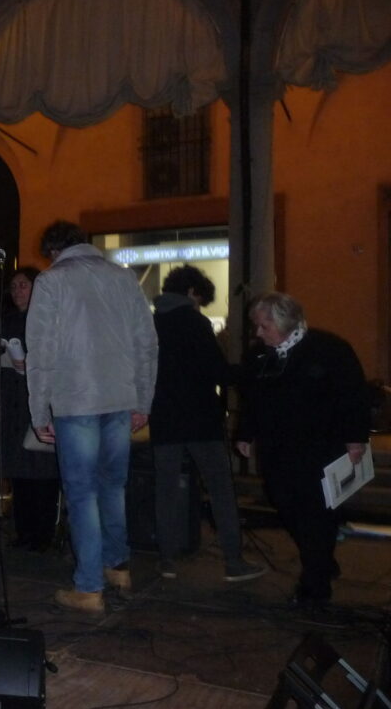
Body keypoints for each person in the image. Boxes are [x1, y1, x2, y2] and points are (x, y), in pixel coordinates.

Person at [27, 220, 157, 614]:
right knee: (113, 486)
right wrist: (143, 400)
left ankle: (88, 587)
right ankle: (117, 567)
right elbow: (147, 342)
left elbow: (40, 351)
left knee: (82, 493)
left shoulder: (51, 281)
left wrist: (39, 410)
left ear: (53, 251)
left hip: (76, 399)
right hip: (119, 397)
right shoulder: (124, 277)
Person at [235, 292, 369, 612]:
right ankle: (321, 559)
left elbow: (353, 396)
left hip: (319, 449)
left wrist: (354, 440)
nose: (258, 333)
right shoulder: (259, 356)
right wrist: (245, 432)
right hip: (277, 449)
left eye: (264, 326)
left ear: (284, 323)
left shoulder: (329, 349)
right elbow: (251, 397)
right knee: (284, 503)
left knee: (316, 514)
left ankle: (315, 585)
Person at [150, 265, 264, 581]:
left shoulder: (153, 322)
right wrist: (248, 371)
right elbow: (217, 371)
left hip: (164, 417)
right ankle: (233, 561)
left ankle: (167, 560)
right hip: (200, 417)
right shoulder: (195, 322)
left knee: (166, 489)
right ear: (192, 292)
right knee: (220, 488)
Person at [0, 268, 60, 552]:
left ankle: (43, 533)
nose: (17, 291)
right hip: (12, 404)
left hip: (40, 402)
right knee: (19, 474)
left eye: (23, 285)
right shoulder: (7, 321)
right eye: (13, 286)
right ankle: (24, 532)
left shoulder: (50, 319)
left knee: (43, 471)